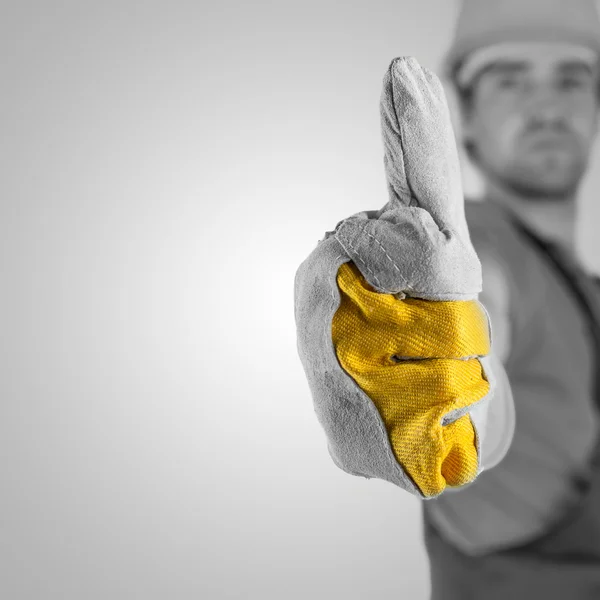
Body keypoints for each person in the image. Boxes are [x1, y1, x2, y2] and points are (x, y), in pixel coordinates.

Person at [421, 0, 600, 597]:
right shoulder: (473, 250)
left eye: (572, 79)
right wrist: (436, 360)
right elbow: (468, 305)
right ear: (464, 117)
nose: (547, 106)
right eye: (509, 80)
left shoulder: (586, 294)